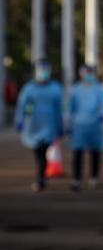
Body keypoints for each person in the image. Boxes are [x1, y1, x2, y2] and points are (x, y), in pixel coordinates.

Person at [14, 59, 63, 192]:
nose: (43, 73)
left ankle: (40, 178)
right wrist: (20, 120)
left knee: (43, 151)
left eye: (45, 70)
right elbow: (22, 106)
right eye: (41, 70)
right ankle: (41, 177)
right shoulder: (29, 88)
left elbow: (60, 108)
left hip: (49, 124)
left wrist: (61, 125)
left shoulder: (55, 88)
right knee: (38, 152)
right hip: (33, 125)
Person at [67, 64, 103, 191]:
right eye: (86, 73)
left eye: (90, 73)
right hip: (79, 125)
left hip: (95, 125)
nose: (88, 76)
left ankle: (94, 176)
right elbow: (70, 108)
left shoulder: (100, 89)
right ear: (81, 74)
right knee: (77, 152)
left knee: (95, 152)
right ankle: (76, 179)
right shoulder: (76, 90)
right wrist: (67, 122)